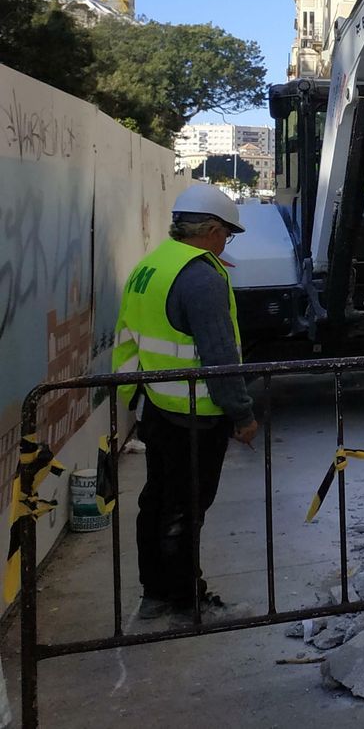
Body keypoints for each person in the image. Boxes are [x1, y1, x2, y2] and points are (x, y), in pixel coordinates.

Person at [113, 184, 259, 619]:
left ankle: (156, 593)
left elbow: (132, 337)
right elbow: (220, 355)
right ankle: (185, 600)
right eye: (226, 234)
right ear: (211, 230)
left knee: (157, 501)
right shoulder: (201, 277)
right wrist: (242, 414)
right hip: (195, 414)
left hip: (158, 406)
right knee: (185, 510)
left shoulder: (152, 264)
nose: (225, 243)